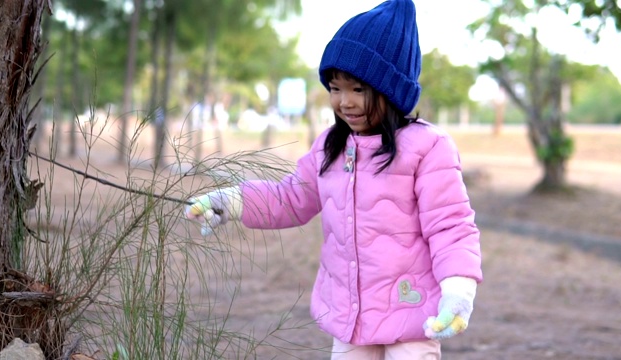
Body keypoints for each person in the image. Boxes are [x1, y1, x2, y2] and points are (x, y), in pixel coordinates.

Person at [184, 0, 482, 358]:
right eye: (335, 88)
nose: (345, 102)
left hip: (412, 315)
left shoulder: (428, 147)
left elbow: (450, 225)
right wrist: (230, 201)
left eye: (358, 89)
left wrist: (458, 289)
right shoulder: (330, 145)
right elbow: (291, 198)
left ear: (391, 89)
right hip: (350, 314)